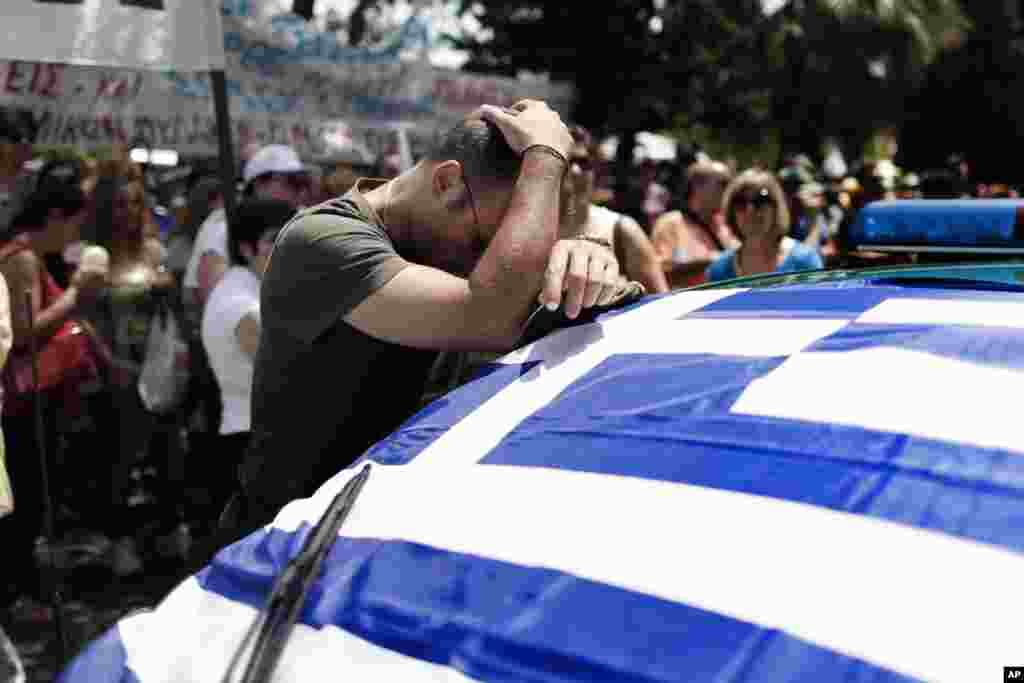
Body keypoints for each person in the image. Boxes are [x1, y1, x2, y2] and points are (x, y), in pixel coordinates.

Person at [223, 100, 620, 547]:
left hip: (371, 539)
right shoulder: (319, 242)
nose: (482, 262)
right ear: (447, 182)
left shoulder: (441, 241)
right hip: (279, 550)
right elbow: (491, 315)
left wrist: (585, 255)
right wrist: (545, 158)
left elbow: (535, 296)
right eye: (482, 242)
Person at [0, 173, 105, 620]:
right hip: (26, 400)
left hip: (37, 397)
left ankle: (19, 587)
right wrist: (79, 294)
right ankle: (12, 595)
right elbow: (22, 332)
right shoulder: (21, 259)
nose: (75, 236)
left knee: (32, 496)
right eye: (73, 225)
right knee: (26, 495)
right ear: (55, 217)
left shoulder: (31, 257)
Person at [199, 199, 294, 530]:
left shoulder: (243, 292)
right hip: (250, 442)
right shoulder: (242, 304)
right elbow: (288, 373)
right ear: (245, 247)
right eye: (274, 239)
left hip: (249, 437)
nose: (285, 248)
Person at [183, 145, 310, 310]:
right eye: (292, 183)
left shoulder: (307, 220)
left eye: (303, 183)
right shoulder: (222, 225)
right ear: (259, 184)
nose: (300, 192)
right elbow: (209, 293)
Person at [562, 125, 668, 294]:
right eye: (566, 162)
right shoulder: (527, 232)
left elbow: (662, 304)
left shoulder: (623, 230)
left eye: (584, 162)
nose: (575, 171)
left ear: (597, 169)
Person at [706, 169, 823, 282]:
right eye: (740, 201)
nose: (750, 210)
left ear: (776, 208)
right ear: (731, 212)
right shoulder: (719, 270)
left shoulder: (805, 262)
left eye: (761, 200)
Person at [650, 159, 737, 288]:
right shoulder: (670, 223)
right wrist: (712, 261)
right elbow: (659, 270)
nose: (729, 191)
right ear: (697, 186)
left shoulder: (729, 225)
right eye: (723, 184)